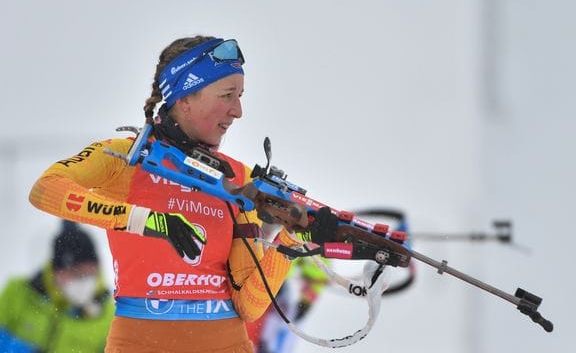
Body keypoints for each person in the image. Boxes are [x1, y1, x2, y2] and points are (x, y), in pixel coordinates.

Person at [28, 35, 334, 352]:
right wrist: (147, 221)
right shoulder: (127, 157)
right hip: (139, 340)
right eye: (227, 95)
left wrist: (291, 238)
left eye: (240, 96)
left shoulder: (238, 177)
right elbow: (46, 188)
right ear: (185, 98)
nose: (238, 110)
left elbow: (250, 305)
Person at [0, 220, 114, 352]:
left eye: (90, 273)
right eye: (76, 274)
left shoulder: (108, 317)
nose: (84, 282)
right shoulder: (18, 294)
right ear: (56, 272)